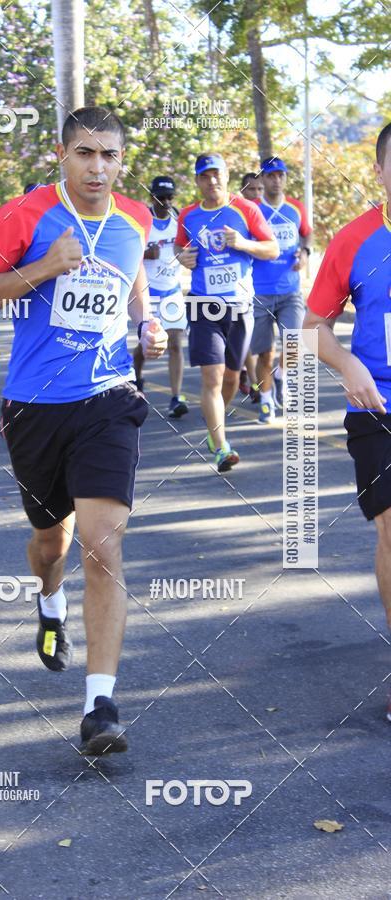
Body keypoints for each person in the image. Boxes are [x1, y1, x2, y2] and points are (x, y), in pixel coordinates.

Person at [0, 106, 167, 755]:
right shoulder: (27, 214)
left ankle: (99, 704)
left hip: (108, 398)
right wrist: (45, 267)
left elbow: (132, 281)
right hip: (34, 405)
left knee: (102, 543)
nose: (97, 167)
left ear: (120, 160)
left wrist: (147, 324)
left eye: (109, 154)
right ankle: (49, 602)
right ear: (62, 154)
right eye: (85, 153)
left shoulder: (138, 217)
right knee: (51, 542)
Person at [304, 122, 391, 722]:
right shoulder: (355, 240)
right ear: (381, 172)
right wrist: (349, 366)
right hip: (378, 407)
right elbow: (312, 329)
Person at [175, 152, 278, 472]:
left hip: (240, 305)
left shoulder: (245, 209)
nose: (212, 181)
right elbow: (179, 248)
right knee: (213, 376)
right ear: (197, 181)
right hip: (203, 304)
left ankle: (213, 427)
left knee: (233, 377)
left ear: (226, 175)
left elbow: (272, 249)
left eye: (216, 174)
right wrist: (183, 258)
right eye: (205, 176)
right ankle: (221, 447)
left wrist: (244, 244)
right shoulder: (188, 215)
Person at [251, 157, 312, 423]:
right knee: (265, 352)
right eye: (271, 175)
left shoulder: (295, 208)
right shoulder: (251, 210)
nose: (276, 180)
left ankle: (281, 375)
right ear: (262, 179)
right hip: (259, 292)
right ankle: (266, 399)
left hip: (290, 290)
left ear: (285, 179)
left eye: (280, 175)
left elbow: (306, 233)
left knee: (295, 342)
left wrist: (306, 252)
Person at [133, 175, 188, 418]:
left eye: (169, 197)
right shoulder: (143, 221)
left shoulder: (179, 220)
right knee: (145, 344)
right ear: (152, 197)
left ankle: (176, 397)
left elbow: (187, 246)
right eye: (160, 197)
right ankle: (136, 379)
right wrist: (146, 253)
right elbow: (127, 252)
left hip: (172, 291)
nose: (165, 201)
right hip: (147, 292)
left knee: (175, 344)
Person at [238, 173, 264, 401]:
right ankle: (253, 381)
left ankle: (253, 378)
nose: (256, 194)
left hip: (266, 288)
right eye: (251, 189)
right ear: (242, 190)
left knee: (255, 341)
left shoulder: (263, 213)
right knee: (247, 339)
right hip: (241, 288)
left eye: (259, 189)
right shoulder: (239, 213)